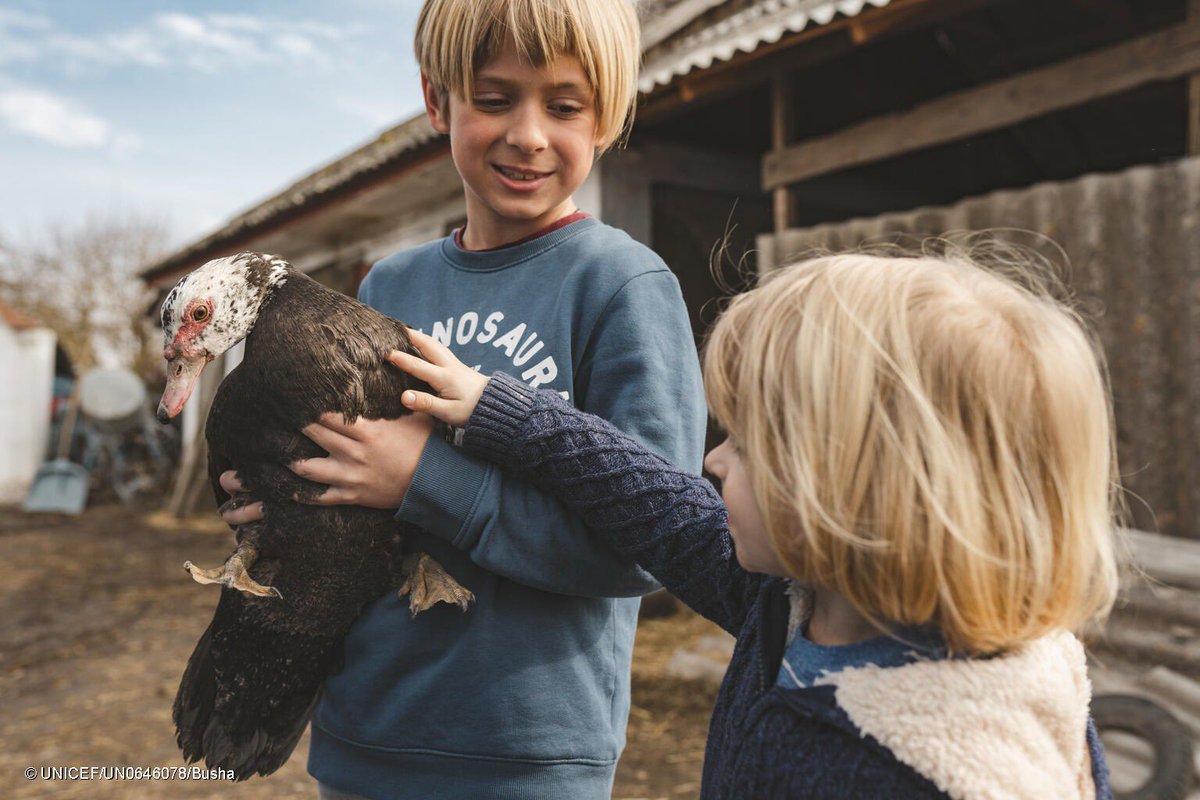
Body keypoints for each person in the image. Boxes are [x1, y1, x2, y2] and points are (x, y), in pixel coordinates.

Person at [388, 248, 1121, 799]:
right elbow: (652, 503)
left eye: (745, 440)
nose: (713, 459)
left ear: (847, 484)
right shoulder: (799, 604)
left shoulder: (924, 770)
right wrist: (499, 410)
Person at [220, 1, 706, 798]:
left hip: (524, 753)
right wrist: (286, 496)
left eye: (564, 105)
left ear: (607, 118)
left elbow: (655, 542)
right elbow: (357, 488)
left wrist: (428, 481)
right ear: (437, 100)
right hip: (363, 731)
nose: (527, 133)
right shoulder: (391, 284)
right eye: (493, 97)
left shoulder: (621, 287)